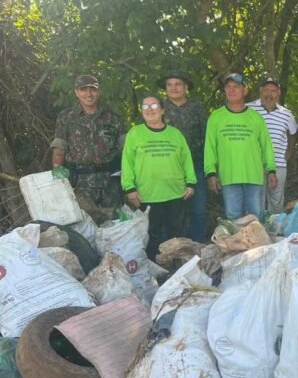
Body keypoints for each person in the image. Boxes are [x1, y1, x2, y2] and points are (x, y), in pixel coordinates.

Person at [121, 95, 196, 260]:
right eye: (145, 106)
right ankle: (154, 272)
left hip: (175, 193)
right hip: (147, 194)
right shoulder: (135, 134)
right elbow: (127, 163)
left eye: (154, 105)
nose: (150, 110)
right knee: (152, 235)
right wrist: (130, 188)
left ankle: (177, 268)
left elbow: (187, 160)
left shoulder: (175, 134)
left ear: (162, 110)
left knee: (176, 234)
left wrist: (191, 182)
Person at [204, 73, 277, 220]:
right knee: (233, 216)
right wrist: (211, 173)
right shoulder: (216, 117)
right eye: (228, 87)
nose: (231, 90)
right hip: (228, 176)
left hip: (254, 176)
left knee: (255, 217)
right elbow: (210, 147)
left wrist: (271, 169)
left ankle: (257, 244)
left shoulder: (256, 118)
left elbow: (266, 145)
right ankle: (236, 243)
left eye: (236, 87)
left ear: (245, 91)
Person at [51, 75, 125, 207]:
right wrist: (57, 170)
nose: (89, 94)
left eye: (93, 89)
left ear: (99, 92)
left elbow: (126, 150)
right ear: (76, 92)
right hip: (80, 183)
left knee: (114, 223)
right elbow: (59, 148)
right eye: (84, 90)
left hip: (110, 183)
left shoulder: (113, 117)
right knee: (83, 224)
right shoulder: (66, 117)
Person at [157, 70, 209, 242]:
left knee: (198, 209)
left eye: (178, 84)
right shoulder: (159, 109)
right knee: (171, 211)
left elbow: (208, 138)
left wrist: (211, 169)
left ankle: (197, 247)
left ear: (186, 87)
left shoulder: (197, 108)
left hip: (196, 166)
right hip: (168, 168)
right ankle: (172, 249)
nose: (173, 88)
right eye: (169, 84)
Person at [246, 76, 298, 214]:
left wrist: (288, 153)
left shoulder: (286, 114)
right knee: (256, 201)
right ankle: (255, 232)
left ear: (279, 92)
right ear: (260, 91)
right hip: (254, 164)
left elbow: (293, 133)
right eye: (266, 90)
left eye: (273, 90)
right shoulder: (249, 109)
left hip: (279, 164)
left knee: (276, 202)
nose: (270, 94)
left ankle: (275, 233)